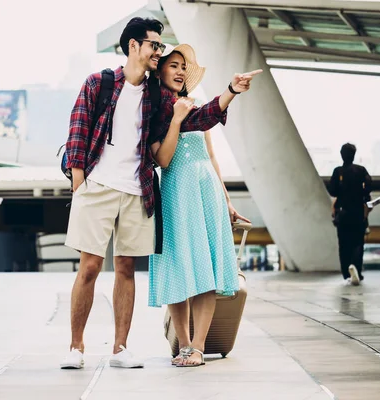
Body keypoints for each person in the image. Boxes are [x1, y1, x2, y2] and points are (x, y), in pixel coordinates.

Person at [60, 17, 261, 370]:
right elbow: (77, 133)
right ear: (134, 46)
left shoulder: (157, 96)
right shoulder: (99, 83)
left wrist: (230, 91)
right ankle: (76, 347)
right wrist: (80, 186)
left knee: (125, 268)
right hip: (97, 187)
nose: (158, 50)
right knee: (89, 267)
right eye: (155, 44)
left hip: (137, 190)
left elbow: (197, 119)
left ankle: (120, 349)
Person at [148, 43, 253, 367]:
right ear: (161, 70)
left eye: (184, 67)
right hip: (176, 190)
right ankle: (182, 345)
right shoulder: (154, 110)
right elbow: (162, 159)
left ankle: (198, 346)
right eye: (174, 65)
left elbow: (211, 155)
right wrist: (177, 120)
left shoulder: (190, 107)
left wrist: (226, 200)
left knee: (205, 269)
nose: (180, 71)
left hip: (206, 190)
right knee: (179, 266)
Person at [328, 143, 372, 286]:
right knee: (358, 242)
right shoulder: (361, 170)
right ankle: (356, 269)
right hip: (358, 212)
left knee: (344, 244)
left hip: (343, 213)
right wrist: (363, 195)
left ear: (342, 155)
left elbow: (333, 191)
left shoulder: (338, 171)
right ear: (354, 155)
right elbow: (368, 185)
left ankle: (347, 272)